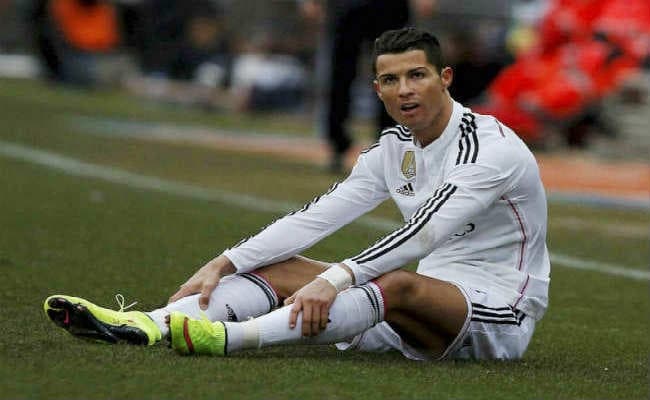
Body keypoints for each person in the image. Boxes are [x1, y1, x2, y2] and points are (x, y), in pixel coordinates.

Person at [44, 27, 550, 361]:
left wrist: (333, 280)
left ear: (445, 78)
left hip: (498, 315)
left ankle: (226, 340)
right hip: (418, 309)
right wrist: (227, 260)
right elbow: (319, 215)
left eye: (417, 75)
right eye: (390, 79)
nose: (405, 90)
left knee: (395, 282)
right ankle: (143, 325)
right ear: (377, 89)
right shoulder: (392, 148)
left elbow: (424, 234)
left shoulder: (489, 148)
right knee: (279, 267)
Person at [299, 0, 437, 173]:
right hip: (348, 6)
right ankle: (338, 144)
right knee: (342, 75)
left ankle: (389, 145)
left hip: (388, 7)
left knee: (392, 74)